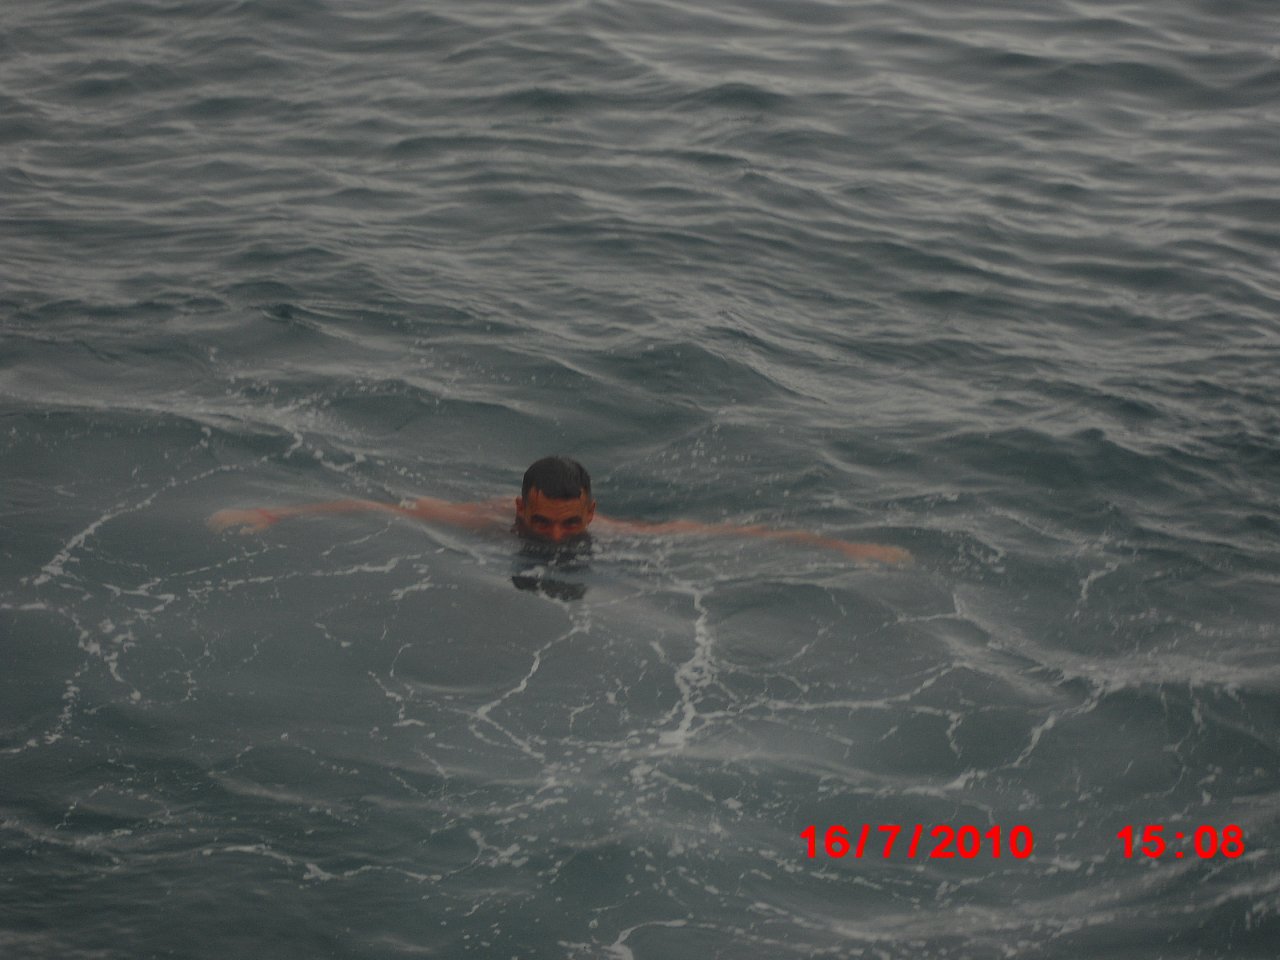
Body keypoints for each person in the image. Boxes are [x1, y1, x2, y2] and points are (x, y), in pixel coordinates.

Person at [207, 455, 911, 566]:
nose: (554, 535)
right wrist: (273, 516)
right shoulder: (487, 522)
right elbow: (380, 507)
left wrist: (850, 549)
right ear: (520, 508)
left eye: (571, 524)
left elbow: (734, 532)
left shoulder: (612, 531)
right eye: (541, 521)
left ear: (592, 513)